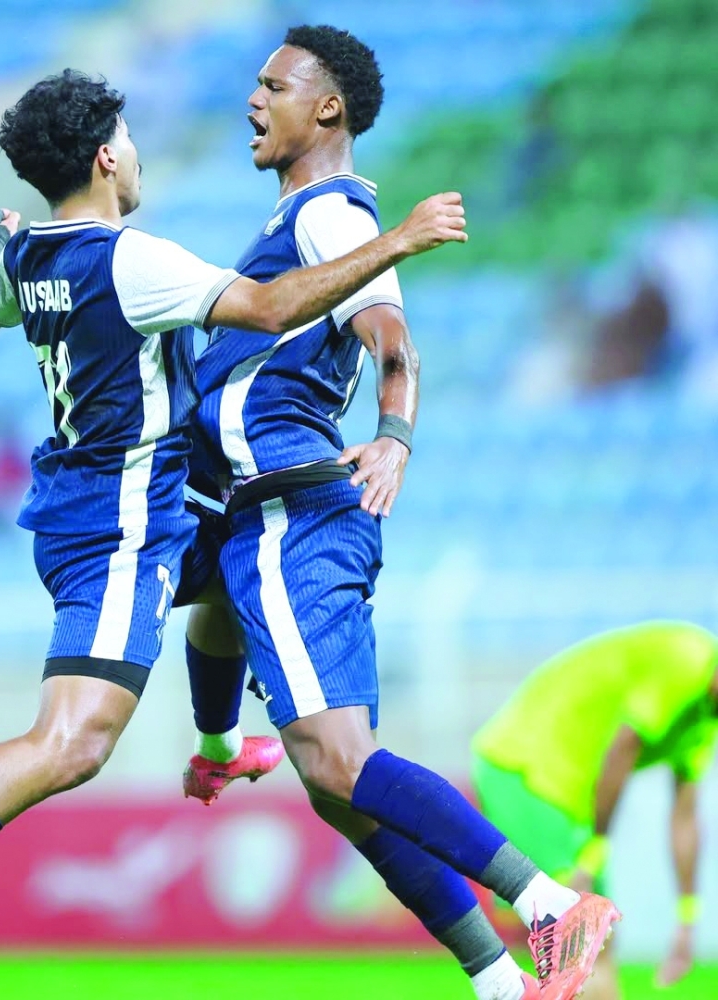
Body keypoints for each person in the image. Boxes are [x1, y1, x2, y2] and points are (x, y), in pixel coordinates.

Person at [0, 68, 470, 1000]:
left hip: (121, 512)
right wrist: (399, 240)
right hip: (121, 530)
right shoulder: (131, 262)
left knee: (239, 562)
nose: (135, 155)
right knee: (72, 743)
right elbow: (271, 309)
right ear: (103, 157)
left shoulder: (27, 262)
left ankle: (220, 746)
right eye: (126, 140)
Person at [179, 25, 620, 1000]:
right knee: (343, 790)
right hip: (272, 520)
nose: (253, 99)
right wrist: (214, 738)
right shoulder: (306, 221)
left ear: (326, 106)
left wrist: (394, 434)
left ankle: (549, 905)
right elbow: (210, 617)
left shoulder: (331, 216)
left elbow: (392, 339)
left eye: (274, 85)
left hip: (291, 518)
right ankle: (500, 980)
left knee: (341, 764)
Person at [473, 620, 718, 1000]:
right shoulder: (687, 659)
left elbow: (684, 816)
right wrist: (593, 855)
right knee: (572, 934)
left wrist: (687, 919)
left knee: (597, 939)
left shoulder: (705, 716)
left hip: (567, 793)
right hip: (528, 766)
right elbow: (623, 749)